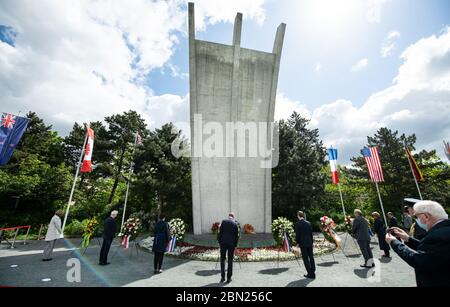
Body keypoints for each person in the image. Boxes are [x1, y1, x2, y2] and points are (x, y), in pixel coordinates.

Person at [386, 201, 450, 287]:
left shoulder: (437, 235)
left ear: (426, 216)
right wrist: (407, 238)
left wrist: (394, 242)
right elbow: (432, 251)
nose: (416, 219)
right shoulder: (444, 230)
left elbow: (419, 261)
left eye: (417, 216)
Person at [218, 212, 239, 284]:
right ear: (233, 217)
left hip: (223, 243)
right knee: (230, 261)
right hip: (231, 245)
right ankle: (229, 278)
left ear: (229, 216)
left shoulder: (223, 222)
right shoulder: (235, 224)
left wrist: (219, 242)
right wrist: (235, 245)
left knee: (222, 260)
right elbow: (236, 237)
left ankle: (222, 277)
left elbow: (220, 233)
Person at [295, 211, 315, 279]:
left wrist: (297, 243)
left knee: (305, 259)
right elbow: (311, 234)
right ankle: (313, 271)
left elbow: (298, 235)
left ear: (298, 216)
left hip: (303, 244)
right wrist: (312, 242)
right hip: (309, 243)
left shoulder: (297, 224)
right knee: (311, 257)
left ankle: (310, 273)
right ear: (303, 215)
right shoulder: (308, 223)